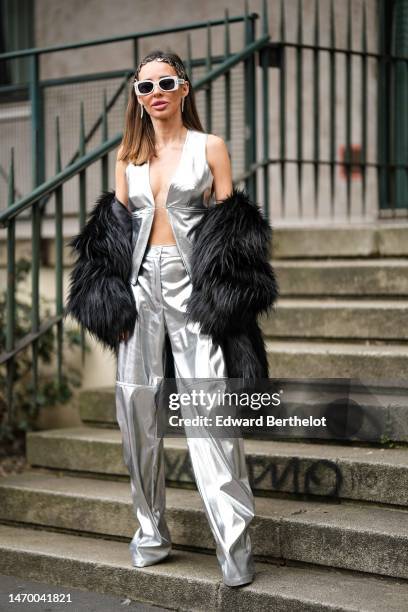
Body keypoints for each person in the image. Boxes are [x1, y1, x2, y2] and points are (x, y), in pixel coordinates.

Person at [114, 49, 256, 587]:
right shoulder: (127, 155)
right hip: (138, 288)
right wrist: (116, 302)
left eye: (165, 82)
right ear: (137, 95)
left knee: (209, 408)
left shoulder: (209, 147)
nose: (156, 93)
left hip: (197, 289)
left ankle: (235, 545)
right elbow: (118, 236)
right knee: (136, 410)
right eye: (145, 87)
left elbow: (233, 234)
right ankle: (150, 531)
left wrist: (226, 297)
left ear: (185, 87)